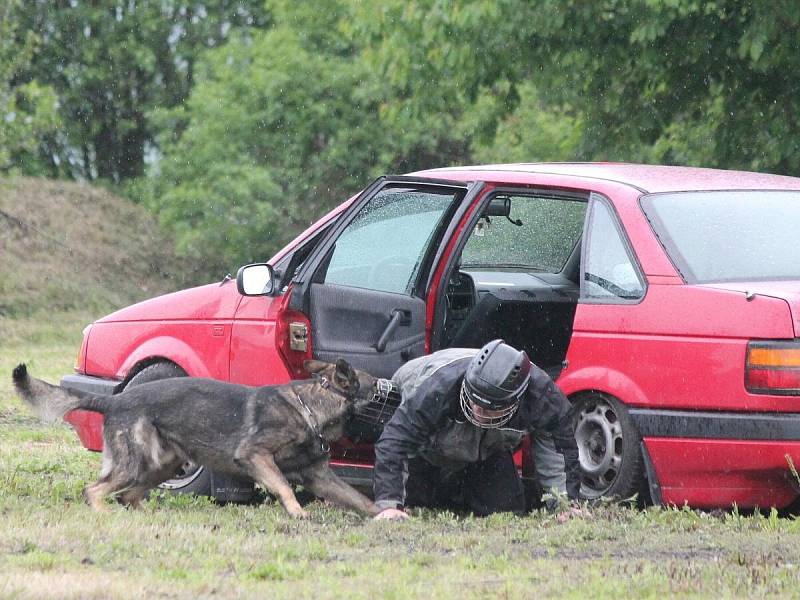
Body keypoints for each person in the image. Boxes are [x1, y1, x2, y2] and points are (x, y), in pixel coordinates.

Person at [372, 339, 581, 520]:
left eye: (488, 407)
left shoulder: (543, 398)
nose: (477, 410)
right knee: (417, 503)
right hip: (426, 451)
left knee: (507, 511)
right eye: (474, 400)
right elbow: (395, 440)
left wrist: (565, 504)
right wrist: (389, 505)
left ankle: (462, 490)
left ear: (514, 401)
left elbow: (560, 451)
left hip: (488, 452)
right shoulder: (435, 389)